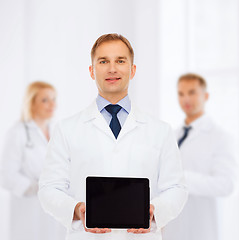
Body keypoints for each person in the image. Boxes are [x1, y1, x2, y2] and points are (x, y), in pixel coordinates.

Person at [38, 33, 188, 240]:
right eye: (103, 61)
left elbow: (177, 188)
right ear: (91, 71)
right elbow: (48, 189)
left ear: (132, 70)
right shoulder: (67, 129)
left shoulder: (160, 130)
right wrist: (76, 209)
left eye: (120, 61)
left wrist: (154, 211)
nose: (112, 68)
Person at [162, 73, 237, 240]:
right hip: (173, 228)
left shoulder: (220, 137)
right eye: (181, 94)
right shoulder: (172, 135)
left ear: (206, 95)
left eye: (192, 92)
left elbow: (226, 184)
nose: (186, 99)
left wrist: (182, 179)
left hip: (202, 228)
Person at [0, 81, 66, 240]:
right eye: (45, 100)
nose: (52, 104)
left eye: (54, 99)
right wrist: (34, 187)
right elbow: (6, 176)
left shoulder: (57, 132)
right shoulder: (18, 132)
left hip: (54, 208)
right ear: (31, 103)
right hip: (29, 208)